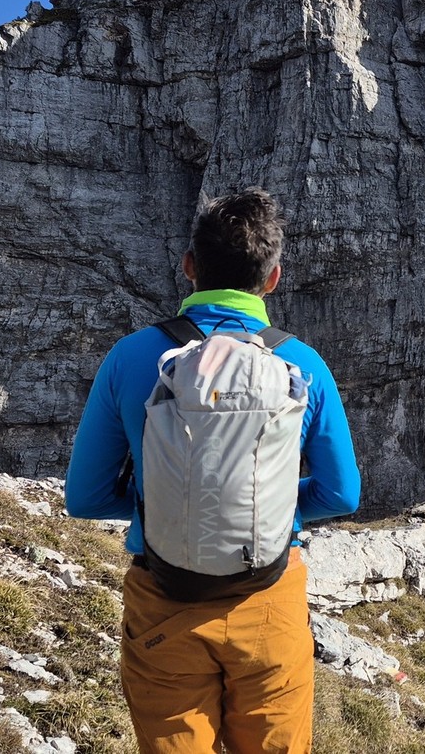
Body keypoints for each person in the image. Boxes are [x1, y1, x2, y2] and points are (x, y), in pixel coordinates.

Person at [65, 188, 361, 753]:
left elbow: (85, 497)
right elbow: (342, 494)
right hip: (268, 600)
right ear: (273, 278)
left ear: (189, 268)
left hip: (164, 600)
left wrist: (172, 502)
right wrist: (269, 503)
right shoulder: (303, 363)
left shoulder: (130, 356)